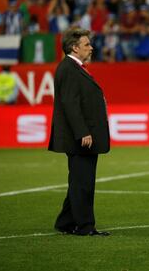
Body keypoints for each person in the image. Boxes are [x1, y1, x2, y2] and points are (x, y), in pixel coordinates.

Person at [48, 27, 110, 236]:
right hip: (79, 138)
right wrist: (83, 132)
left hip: (81, 135)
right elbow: (70, 104)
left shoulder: (72, 68)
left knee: (78, 181)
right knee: (83, 183)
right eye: (86, 45)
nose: (91, 48)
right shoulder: (68, 69)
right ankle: (85, 226)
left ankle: (66, 221)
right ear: (75, 48)